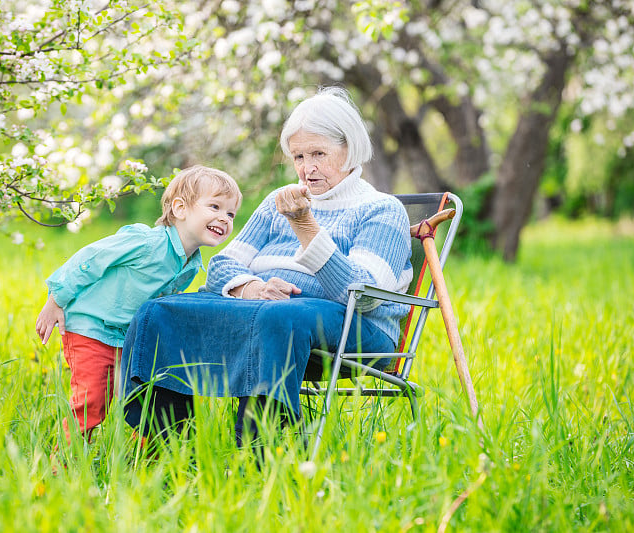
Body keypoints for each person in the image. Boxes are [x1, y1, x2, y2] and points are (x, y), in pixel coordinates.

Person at [119, 87, 413, 446]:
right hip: (265, 311)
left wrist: (306, 227)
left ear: (349, 149)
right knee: (161, 311)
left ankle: (258, 451)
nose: (308, 169)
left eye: (318, 153)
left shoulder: (382, 210)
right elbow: (224, 263)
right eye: (299, 157)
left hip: (357, 327)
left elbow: (361, 295)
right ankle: (169, 446)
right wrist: (250, 288)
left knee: (280, 317)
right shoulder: (280, 201)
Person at [35, 165, 242, 444]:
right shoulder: (147, 242)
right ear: (180, 208)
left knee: (143, 398)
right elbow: (92, 258)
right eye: (215, 206)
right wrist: (56, 299)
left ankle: (139, 460)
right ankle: (65, 461)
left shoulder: (191, 265)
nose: (224, 218)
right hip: (92, 328)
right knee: (92, 399)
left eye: (230, 213)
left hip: (130, 338)